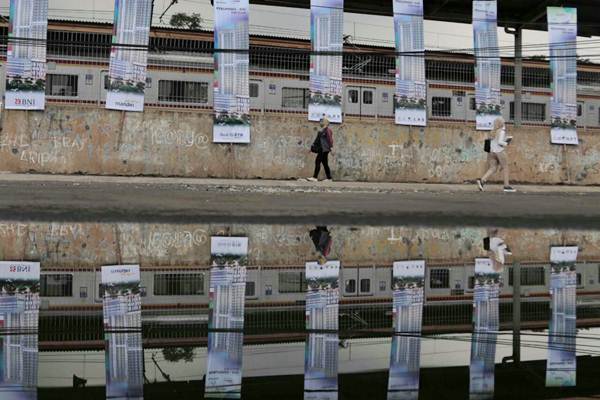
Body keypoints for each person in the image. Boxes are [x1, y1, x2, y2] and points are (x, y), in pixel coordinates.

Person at [476, 117, 515, 193]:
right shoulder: (502, 131)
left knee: (493, 168)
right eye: (503, 123)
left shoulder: (492, 131)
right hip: (499, 151)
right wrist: (507, 143)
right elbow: (500, 142)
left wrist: (504, 139)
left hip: (491, 152)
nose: (504, 124)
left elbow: (494, 141)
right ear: (501, 123)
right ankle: (506, 186)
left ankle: (482, 181)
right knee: (505, 167)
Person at [307, 117, 334, 182]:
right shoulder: (321, 131)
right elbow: (317, 140)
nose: (320, 122)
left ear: (325, 122)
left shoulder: (328, 130)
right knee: (325, 163)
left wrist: (331, 148)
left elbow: (330, 140)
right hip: (322, 149)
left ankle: (315, 177)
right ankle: (329, 178)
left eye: (321, 121)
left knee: (317, 161)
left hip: (324, 149)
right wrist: (312, 148)